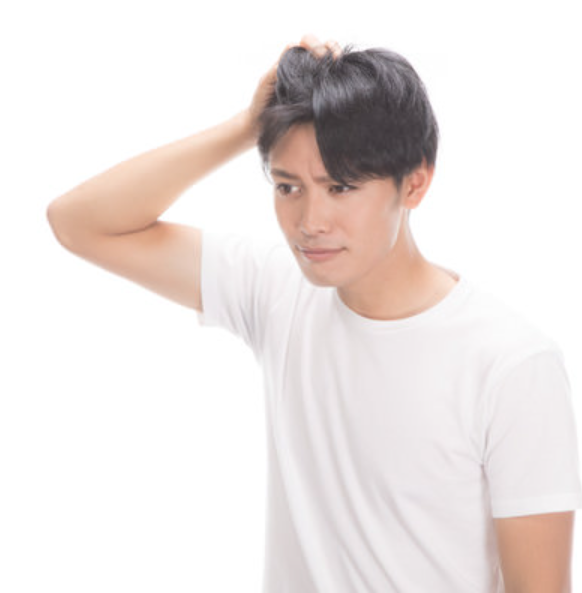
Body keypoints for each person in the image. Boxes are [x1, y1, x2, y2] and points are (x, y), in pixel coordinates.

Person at [47, 34, 582, 592]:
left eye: (341, 186)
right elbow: (79, 222)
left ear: (415, 183)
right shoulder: (277, 290)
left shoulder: (512, 364)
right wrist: (246, 127)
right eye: (288, 187)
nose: (310, 222)